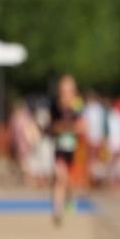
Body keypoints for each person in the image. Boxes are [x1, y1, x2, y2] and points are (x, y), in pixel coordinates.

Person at [48, 75, 85, 224]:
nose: (65, 94)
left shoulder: (78, 106)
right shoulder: (54, 106)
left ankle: (69, 198)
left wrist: (66, 128)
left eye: (68, 91)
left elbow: (81, 127)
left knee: (67, 180)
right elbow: (52, 127)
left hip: (74, 149)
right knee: (60, 177)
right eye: (63, 90)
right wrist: (66, 127)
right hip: (59, 148)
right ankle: (57, 210)